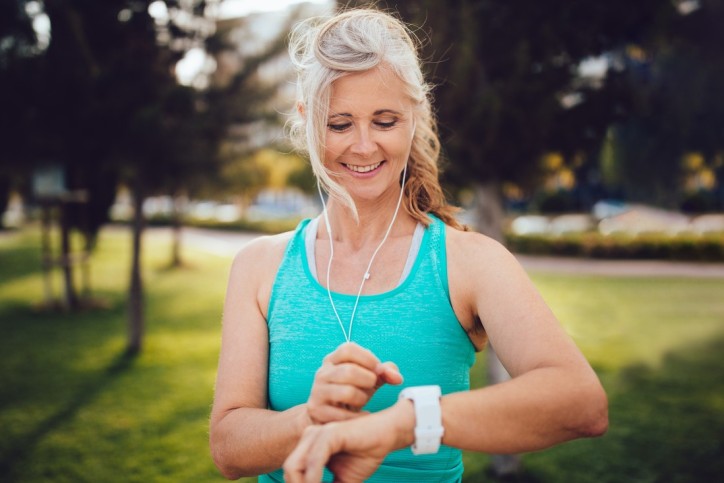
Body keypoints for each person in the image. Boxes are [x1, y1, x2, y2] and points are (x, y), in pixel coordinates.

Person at [209, 8, 608, 483]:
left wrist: (407, 421)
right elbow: (228, 448)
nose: (362, 147)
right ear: (306, 121)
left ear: (414, 116)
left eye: (384, 121)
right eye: (339, 124)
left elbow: (581, 403)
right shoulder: (259, 266)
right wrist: (311, 419)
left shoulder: (469, 262)